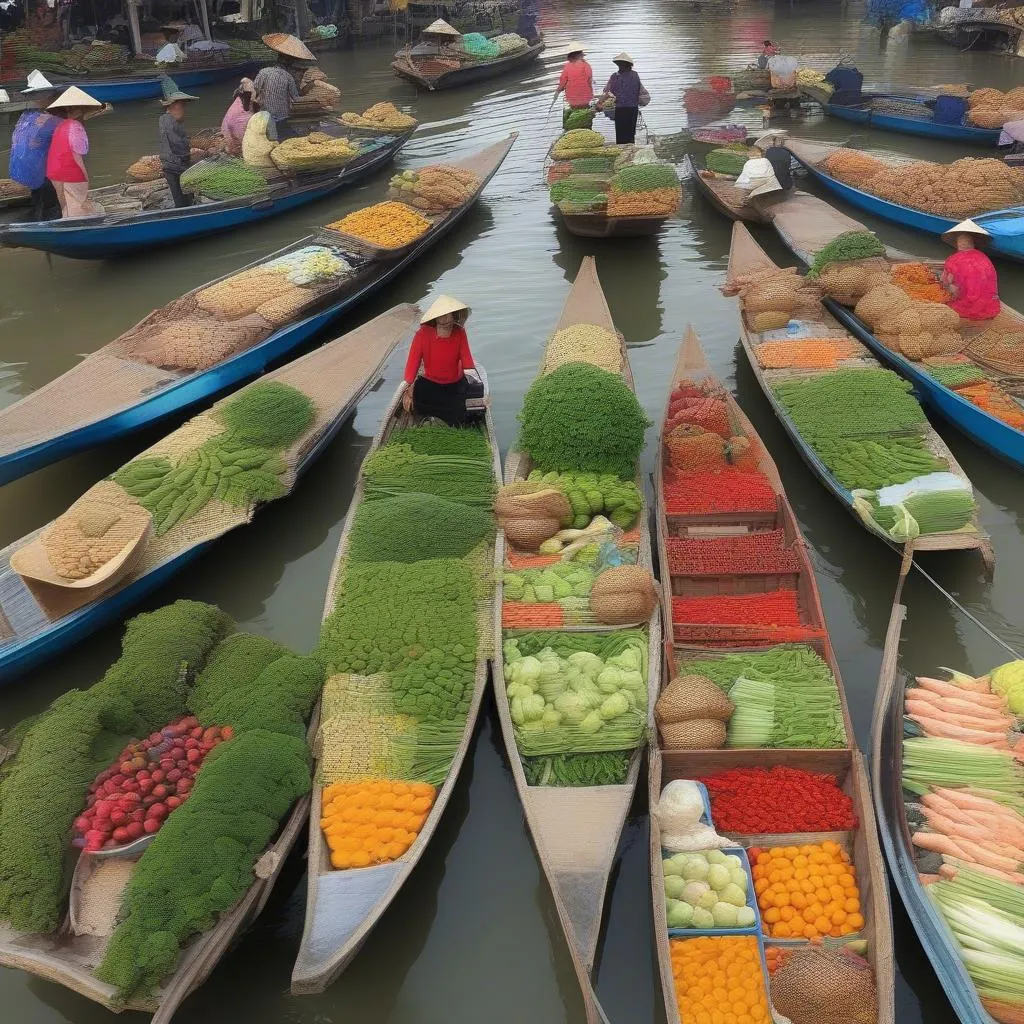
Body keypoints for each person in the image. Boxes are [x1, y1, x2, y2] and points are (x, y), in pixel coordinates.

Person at [402, 296, 484, 426]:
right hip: (430, 383)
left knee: (463, 418)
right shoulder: (422, 334)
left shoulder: (460, 333)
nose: (444, 319)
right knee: (417, 402)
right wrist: (408, 389)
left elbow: (467, 362)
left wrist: (476, 389)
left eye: (447, 315)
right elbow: (412, 364)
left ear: (454, 315)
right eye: (440, 315)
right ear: (435, 317)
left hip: (454, 385)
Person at [8, 70, 63, 221]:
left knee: (39, 197)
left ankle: (38, 213)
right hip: (39, 173)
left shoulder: (25, 117)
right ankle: (50, 222)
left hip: (21, 171)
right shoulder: (52, 121)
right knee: (50, 203)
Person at [45, 86, 104, 219]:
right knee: (78, 204)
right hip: (70, 170)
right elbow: (76, 157)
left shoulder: (61, 125)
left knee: (66, 205)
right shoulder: (76, 127)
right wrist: (85, 178)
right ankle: (80, 228)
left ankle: (67, 223)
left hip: (53, 170)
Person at [254, 33, 316, 139]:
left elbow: (255, 93)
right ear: (289, 63)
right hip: (282, 118)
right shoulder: (288, 77)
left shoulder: (263, 72)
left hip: (264, 117)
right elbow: (296, 99)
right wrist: (311, 97)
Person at [941, 220, 1000, 321]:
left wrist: (946, 285)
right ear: (972, 243)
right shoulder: (984, 258)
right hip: (990, 304)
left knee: (946, 287)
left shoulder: (954, 259)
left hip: (969, 306)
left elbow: (946, 281)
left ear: (958, 244)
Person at [158, 78, 198, 208]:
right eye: (181, 106)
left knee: (185, 198)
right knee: (183, 202)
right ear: (172, 106)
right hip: (174, 167)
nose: (183, 109)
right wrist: (187, 165)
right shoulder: (169, 122)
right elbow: (177, 146)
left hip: (173, 165)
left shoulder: (168, 119)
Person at [598, 53, 648, 145]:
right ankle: (630, 151)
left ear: (619, 65)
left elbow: (608, 92)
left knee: (621, 135)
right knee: (630, 134)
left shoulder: (615, 76)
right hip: (633, 109)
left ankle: (622, 151)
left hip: (620, 109)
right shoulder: (635, 75)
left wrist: (599, 102)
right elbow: (640, 92)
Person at [554, 42, 593, 128]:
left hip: (572, 99)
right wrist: (591, 95)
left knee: (574, 117)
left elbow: (562, 83)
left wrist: (557, 92)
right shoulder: (587, 66)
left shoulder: (567, 67)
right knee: (585, 117)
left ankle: (574, 129)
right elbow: (589, 82)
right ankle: (586, 129)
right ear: (580, 54)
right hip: (585, 98)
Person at [221, 78, 256, 156]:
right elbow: (248, 105)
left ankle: (232, 151)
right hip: (238, 128)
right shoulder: (248, 95)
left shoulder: (237, 98)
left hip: (227, 126)